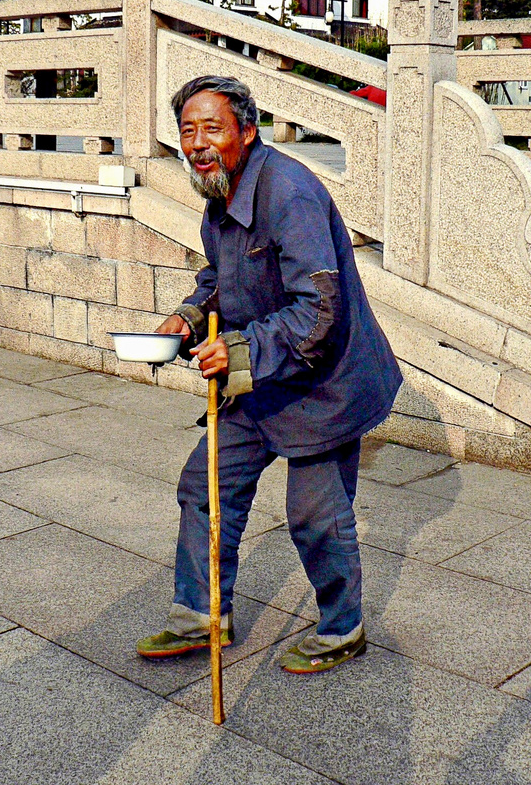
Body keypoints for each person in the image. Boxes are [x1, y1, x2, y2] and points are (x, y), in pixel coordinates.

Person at [136, 75, 402, 673]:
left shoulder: (290, 194)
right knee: (204, 487)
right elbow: (221, 278)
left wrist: (239, 350)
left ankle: (342, 627)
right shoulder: (221, 191)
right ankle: (200, 615)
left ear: (247, 132)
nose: (198, 143)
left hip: (322, 380)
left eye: (213, 129)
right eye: (187, 130)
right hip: (258, 375)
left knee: (314, 514)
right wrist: (188, 316)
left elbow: (320, 309)